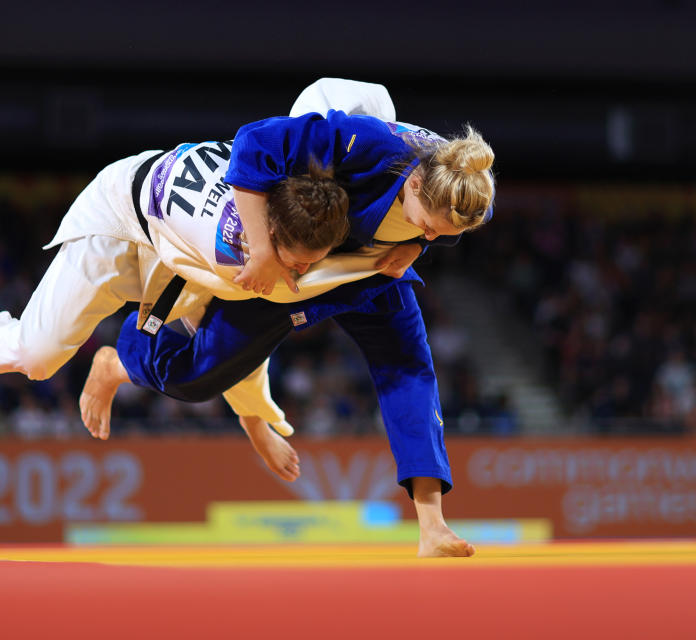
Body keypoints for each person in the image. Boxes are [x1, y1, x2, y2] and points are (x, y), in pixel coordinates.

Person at [79, 83, 496, 557]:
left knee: (409, 369)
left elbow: (455, 217)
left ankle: (432, 526)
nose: (429, 235)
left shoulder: (464, 180)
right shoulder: (366, 144)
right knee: (195, 378)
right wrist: (261, 251)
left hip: (372, 273)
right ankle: (121, 361)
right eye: (425, 226)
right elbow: (253, 143)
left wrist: (416, 243)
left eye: (440, 235)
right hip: (298, 269)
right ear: (414, 183)